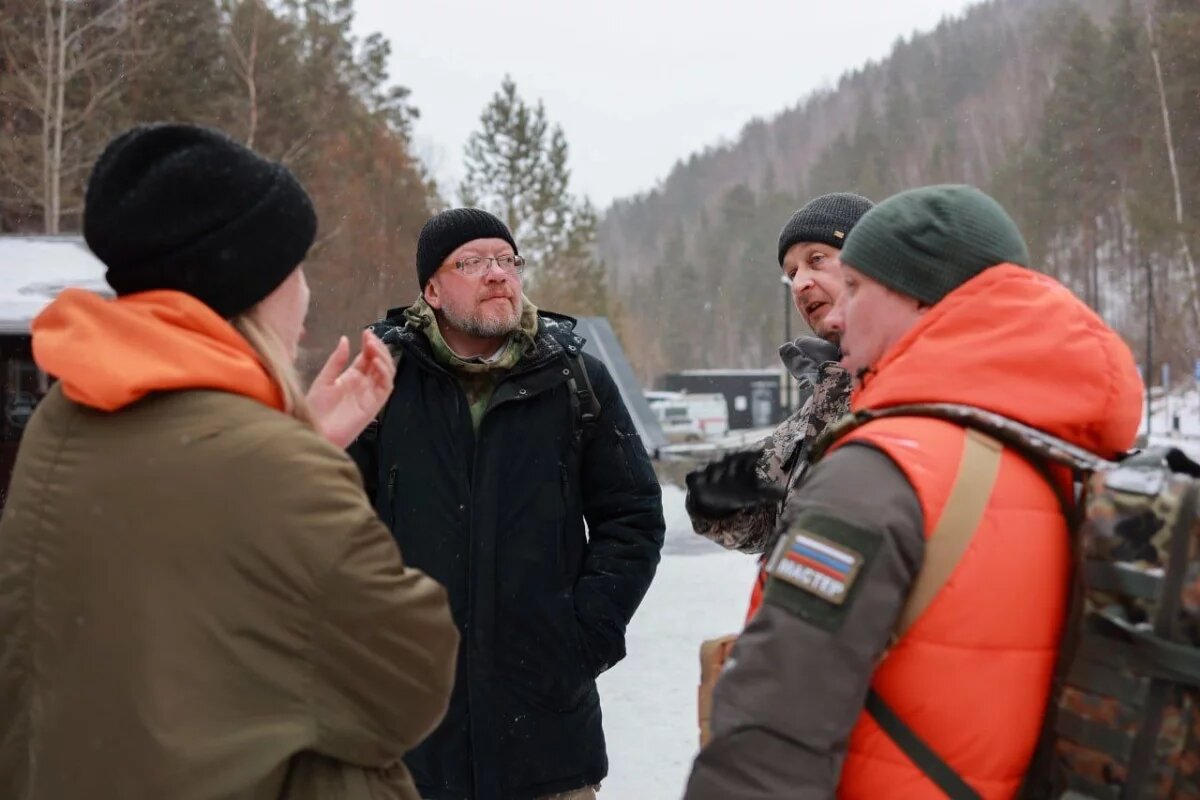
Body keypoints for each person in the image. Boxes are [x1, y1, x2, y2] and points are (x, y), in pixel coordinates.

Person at [0, 124, 460, 800]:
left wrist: (291, 433)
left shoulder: (63, 419)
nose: (305, 295)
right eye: (296, 268)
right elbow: (412, 681)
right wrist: (297, 455)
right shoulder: (275, 472)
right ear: (251, 283)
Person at [684, 185, 1143, 799]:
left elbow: (776, 726)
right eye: (790, 272)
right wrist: (724, 508)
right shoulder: (1057, 431)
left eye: (849, 281)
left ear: (915, 289)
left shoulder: (885, 460)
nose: (828, 305)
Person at [348, 208, 665, 800]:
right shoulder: (380, 383)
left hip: (547, 738)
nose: (497, 274)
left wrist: (582, 636)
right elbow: (329, 523)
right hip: (409, 742)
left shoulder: (574, 378)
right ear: (432, 290)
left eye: (506, 260)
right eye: (472, 262)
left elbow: (634, 516)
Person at [686, 192, 873, 618]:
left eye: (817, 259)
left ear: (873, 259)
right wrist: (721, 507)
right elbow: (772, 525)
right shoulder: (817, 411)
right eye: (791, 273)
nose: (801, 282)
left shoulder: (916, 380)